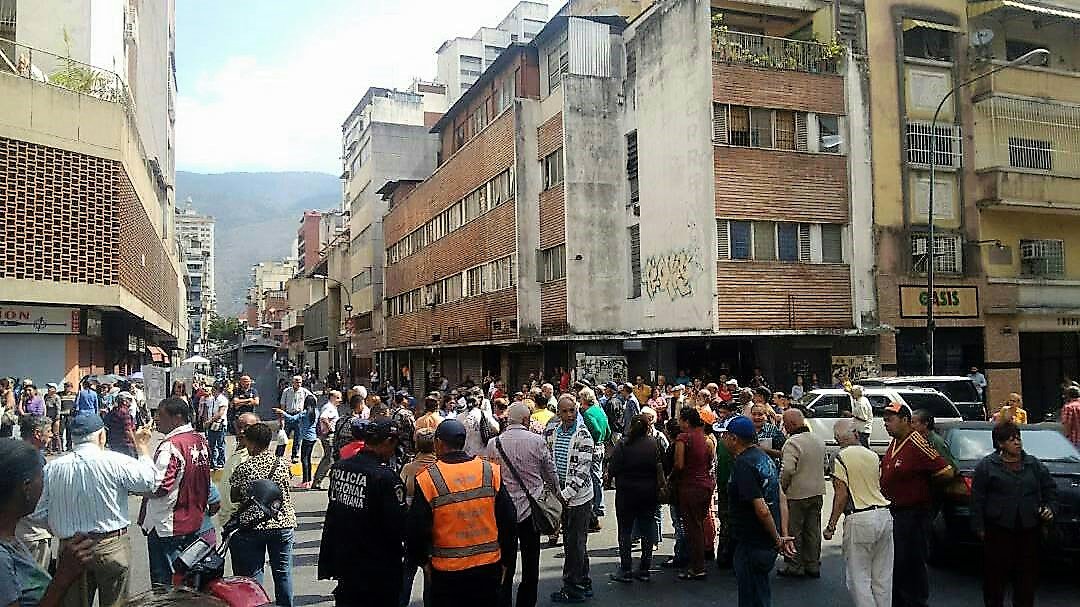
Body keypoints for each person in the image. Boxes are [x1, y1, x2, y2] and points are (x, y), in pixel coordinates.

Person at [32, 412, 156, 607]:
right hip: (111, 545)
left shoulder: (52, 468)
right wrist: (142, 448)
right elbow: (149, 483)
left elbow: (38, 513)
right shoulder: (116, 461)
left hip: (72, 548)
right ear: (101, 436)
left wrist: (61, 526)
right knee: (116, 603)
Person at [406, 419, 517, 607]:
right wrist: (507, 560)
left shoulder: (428, 478)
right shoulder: (489, 471)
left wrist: (423, 562)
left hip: (447, 571)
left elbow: (416, 529)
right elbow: (508, 520)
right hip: (488, 567)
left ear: (438, 443)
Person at [0, 439, 99, 607]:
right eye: (42, 478)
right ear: (26, 487)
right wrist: (62, 577)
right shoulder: (2, 558)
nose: (44, 485)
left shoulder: (10, 537)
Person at [319, 418, 406, 606]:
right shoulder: (385, 477)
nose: (394, 451)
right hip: (378, 566)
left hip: (345, 560)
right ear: (387, 442)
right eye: (394, 444)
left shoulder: (340, 467)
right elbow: (398, 524)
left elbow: (334, 510)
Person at [971, 422, 1055, 607]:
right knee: (995, 580)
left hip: (1028, 529)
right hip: (999, 530)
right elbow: (977, 499)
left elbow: (1050, 490)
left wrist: (1049, 509)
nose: (1017, 443)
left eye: (1018, 438)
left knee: (1026, 579)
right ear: (1000, 444)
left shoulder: (1033, 464)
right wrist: (979, 527)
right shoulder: (987, 466)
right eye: (1011, 439)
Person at [484, 403, 559, 607]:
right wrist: (557, 492)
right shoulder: (537, 441)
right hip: (530, 509)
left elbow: (489, 475)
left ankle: (504, 601)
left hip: (504, 511)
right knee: (530, 562)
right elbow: (550, 472)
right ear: (526, 420)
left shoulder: (493, 443)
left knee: (504, 563)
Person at [879, 402, 953, 607]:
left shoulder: (916, 442)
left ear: (905, 421)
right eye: (884, 420)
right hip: (894, 511)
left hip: (913, 513)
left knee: (912, 561)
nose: (886, 424)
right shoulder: (894, 442)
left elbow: (946, 471)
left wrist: (923, 489)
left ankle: (916, 602)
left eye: (890, 419)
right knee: (897, 562)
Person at [719, 415, 794, 607]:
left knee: (751, 595)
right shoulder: (763, 457)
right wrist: (781, 534)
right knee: (760, 591)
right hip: (764, 540)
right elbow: (781, 497)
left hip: (753, 541)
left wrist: (778, 539)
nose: (722, 439)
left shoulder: (744, 464)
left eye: (724, 435)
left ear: (734, 438)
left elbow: (762, 509)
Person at [140, 397, 211, 588]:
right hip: (192, 521)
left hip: (169, 525)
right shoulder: (199, 439)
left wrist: (142, 451)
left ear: (177, 417)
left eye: (160, 415)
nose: (156, 419)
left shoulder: (171, 445)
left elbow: (157, 486)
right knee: (187, 581)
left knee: (166, 585)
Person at [824, 419, 893, 607]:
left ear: (837, 439)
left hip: (859, 518)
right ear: (855, 434)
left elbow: (841, 495)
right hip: (883, 514)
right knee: (882, 577)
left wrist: (831, 526)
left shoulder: (839, 457)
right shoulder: (872, 455)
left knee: (858, 578)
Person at [229, 422, 297, 607]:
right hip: (283, 523)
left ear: (251, 443)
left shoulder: (244, 468)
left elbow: (234, 497)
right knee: (283, 573)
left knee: (253, 577)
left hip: (253, 526)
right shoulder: (283, 464)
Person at [544, 395, 595, 603]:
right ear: (558, 413)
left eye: (572, 410)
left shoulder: (584, 435)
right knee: (574, 542)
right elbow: (549, 463)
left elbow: (583, 472)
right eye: (564, 411)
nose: (569, 415)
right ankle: (584, 581)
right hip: (563, 495)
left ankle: (572, 587)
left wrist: (564, 496)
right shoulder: (553, 433)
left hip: (579, 498)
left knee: (574, 544)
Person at [607, 414, 661, 583]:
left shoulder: (623, 444)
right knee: (646, 530)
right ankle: (645, 568)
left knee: (625, 531)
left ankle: (626, 568)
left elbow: (613, 468)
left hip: (626, 493)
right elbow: (662, 465)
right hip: (648, 492)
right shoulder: (654, 444)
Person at [776, 409, 826, 578]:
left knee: (794, 530)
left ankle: (795, 565)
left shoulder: (792, 442)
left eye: (785, 423)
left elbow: (788, 468)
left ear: (792, 424)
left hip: (797, 494)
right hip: (817, 491)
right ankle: (812, 564)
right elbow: (825, 464)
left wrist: (782, 486)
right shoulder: (818, 439)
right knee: (813, 530)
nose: (784, 426)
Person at [670, 407, 714, 581]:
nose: (679, 423)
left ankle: (697, 567)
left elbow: (679, 464)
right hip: (705, 485)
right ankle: (700, 562)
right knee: (699, 525)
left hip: (690, 486)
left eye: (681, 420)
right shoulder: (706, 438)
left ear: (686, 422)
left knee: (692, 528)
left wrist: (671, 477)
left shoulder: (683, 438)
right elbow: (709, 461)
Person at [17, 416, 54, 569]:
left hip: (16, 529)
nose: (52, 435)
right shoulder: (34, 459)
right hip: (33, 531)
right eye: (49, 431)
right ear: (38, 434)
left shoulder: (14, 452)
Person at [216, 413, 258, 527]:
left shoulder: (253, 455)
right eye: (239, 427)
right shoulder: (239, 450)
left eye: (247, 427)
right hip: (228, 518)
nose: (242, 431)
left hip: (239, 520)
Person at [273, 391, 318, 489]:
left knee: (304, 459)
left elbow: (292, 419)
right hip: (313, 437)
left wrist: (282, 412)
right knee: (308, 459)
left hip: (306, 438)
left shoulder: (305, 413)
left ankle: (305, 481)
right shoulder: (316, 412)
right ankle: (309, 480)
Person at [311, 390, 342, 490]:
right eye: (338, 398)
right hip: (329, 436)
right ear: (332, 397)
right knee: (329, 459)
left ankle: (320, 480)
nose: (340, 400)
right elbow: (323, 417)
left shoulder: (330, 407)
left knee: (329, 458)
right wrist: (331, 429)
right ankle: (318, 481)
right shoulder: (329, 407)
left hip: (327, 435)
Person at [278, 376, 312, 464]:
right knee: (284, 437)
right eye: (296, 382)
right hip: (288, 415)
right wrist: (282, 419)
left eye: (300, 382)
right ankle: (279, 455)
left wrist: (306, 410)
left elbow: (313, 399)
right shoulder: (286, 391)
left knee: (298, 438)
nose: (298, 384)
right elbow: (282, 405)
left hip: (299, 416)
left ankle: (294, 456)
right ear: (292, 382)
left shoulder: (304, 391)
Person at [103, 392, 137, 458]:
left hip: (113, 443)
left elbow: (106, 424)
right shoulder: (125, 412)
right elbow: (128, 431)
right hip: (125, 444)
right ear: (124, 401)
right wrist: (136, 444)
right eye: (130, 400)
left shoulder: (113, 411)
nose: (131, 403)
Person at [205, 383, 229, 471]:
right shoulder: (210, 399)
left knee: (220, 444)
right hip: (211, 424)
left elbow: (220, 413)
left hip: (220, 424)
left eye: (215, 388)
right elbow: (207, 410)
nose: (213, 390)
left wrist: (209, 421)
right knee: (211, 444)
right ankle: (212, 463)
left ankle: (221, 462)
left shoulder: (223, 399)